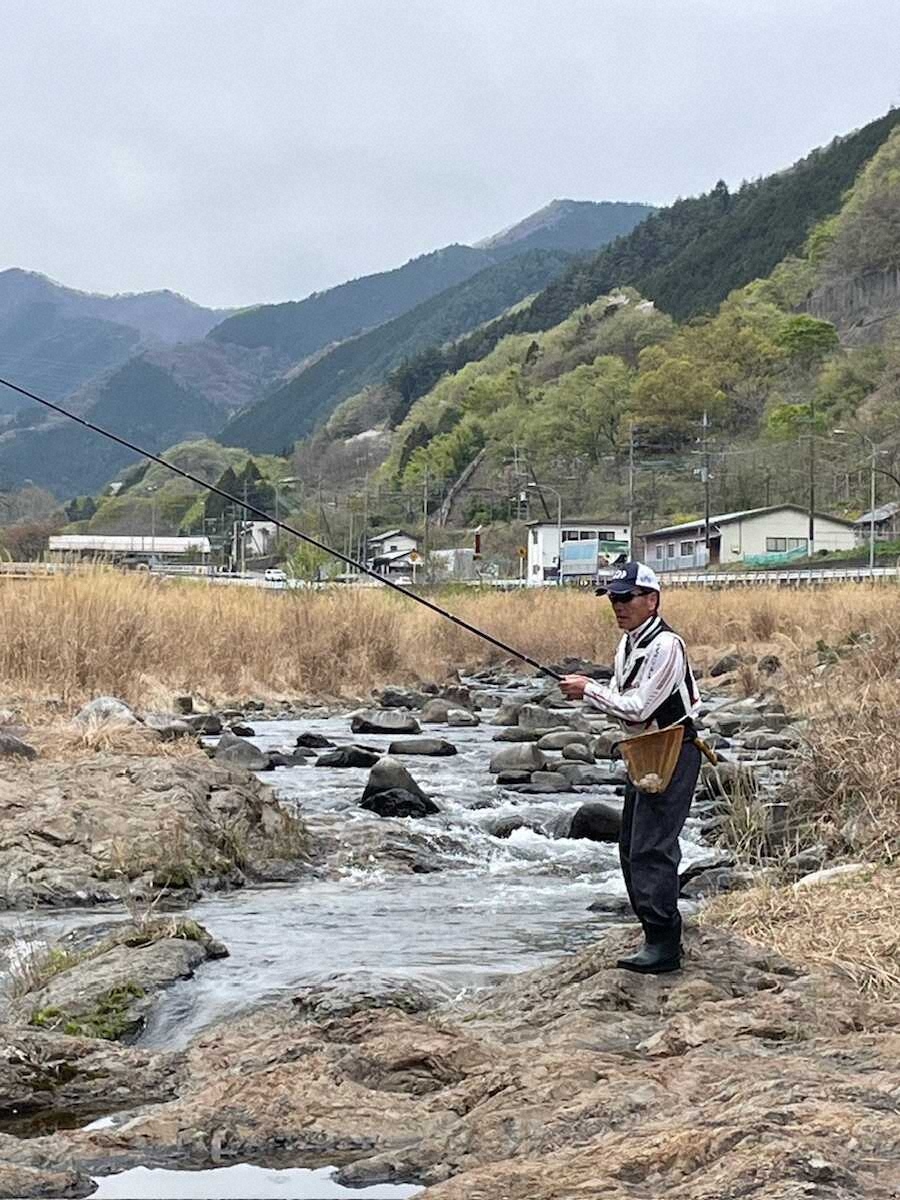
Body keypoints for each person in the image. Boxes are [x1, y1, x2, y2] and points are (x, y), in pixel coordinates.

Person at [560, 561, 701, 974]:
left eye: (626, 598)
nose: (617, 606)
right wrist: (593, 692)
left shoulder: (666, 646)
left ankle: (664, 944)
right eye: (613, 598)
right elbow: (628, 708)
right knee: (630, 847)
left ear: (652, 600)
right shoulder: (627, 644)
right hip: (645, 750)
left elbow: (639, 708)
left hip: (674, 749)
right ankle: (653, 934)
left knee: (652, 848)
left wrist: (588, 690)